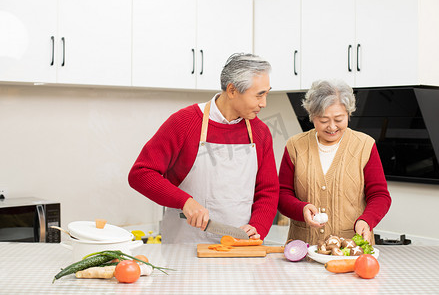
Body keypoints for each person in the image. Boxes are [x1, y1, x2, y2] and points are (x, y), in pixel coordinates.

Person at [129, 53, 279, 244]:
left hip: (239, 247)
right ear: (232, 90)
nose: (264, 103)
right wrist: (185, 201)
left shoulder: (260, 132)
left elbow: (268, 190)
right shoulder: (185, 123)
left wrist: (258, 226)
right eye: (259, 95)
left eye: (267, 94)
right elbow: (140, 174)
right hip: (184, 247)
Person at [278, 79, 391, 245]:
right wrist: (300, 209)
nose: (332, 127)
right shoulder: (295, 146)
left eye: (339, 119)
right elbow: (281, 194)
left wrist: (366, 220)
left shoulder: (365, 145)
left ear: (348, 114)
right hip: (303, 248)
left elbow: (380, 195)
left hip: (351, 249)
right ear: (312, 116)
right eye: (324, 120)